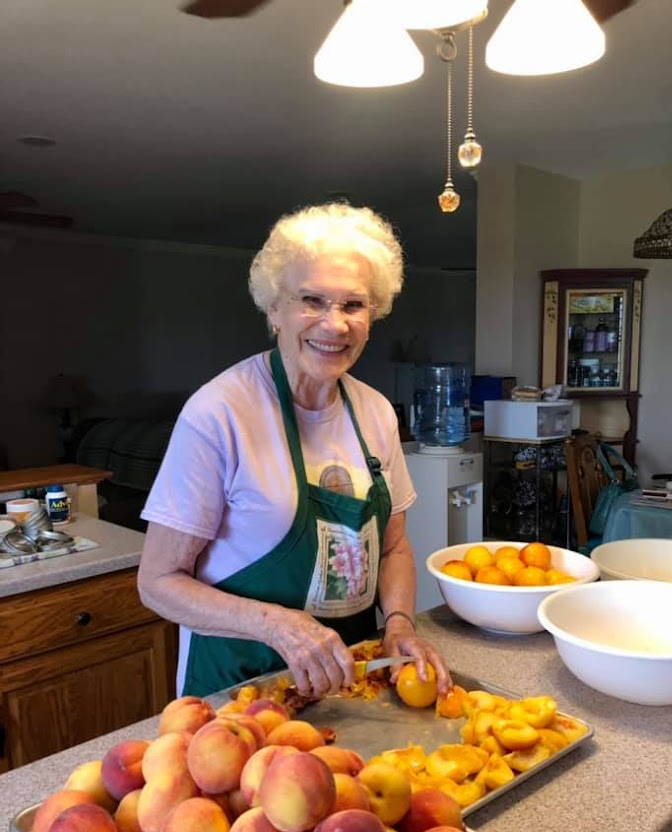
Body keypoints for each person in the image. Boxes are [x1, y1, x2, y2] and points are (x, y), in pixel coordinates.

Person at [137, 202, 451, 700]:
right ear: (274, 309)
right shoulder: (219, 413)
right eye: (312, 300)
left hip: (349, 684)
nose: (335, 325)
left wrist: (398, 625)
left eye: (354, 305)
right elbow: (157, 581)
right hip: (239, 691)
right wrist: (279, 626)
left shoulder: (376, 412)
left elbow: (393, 547)